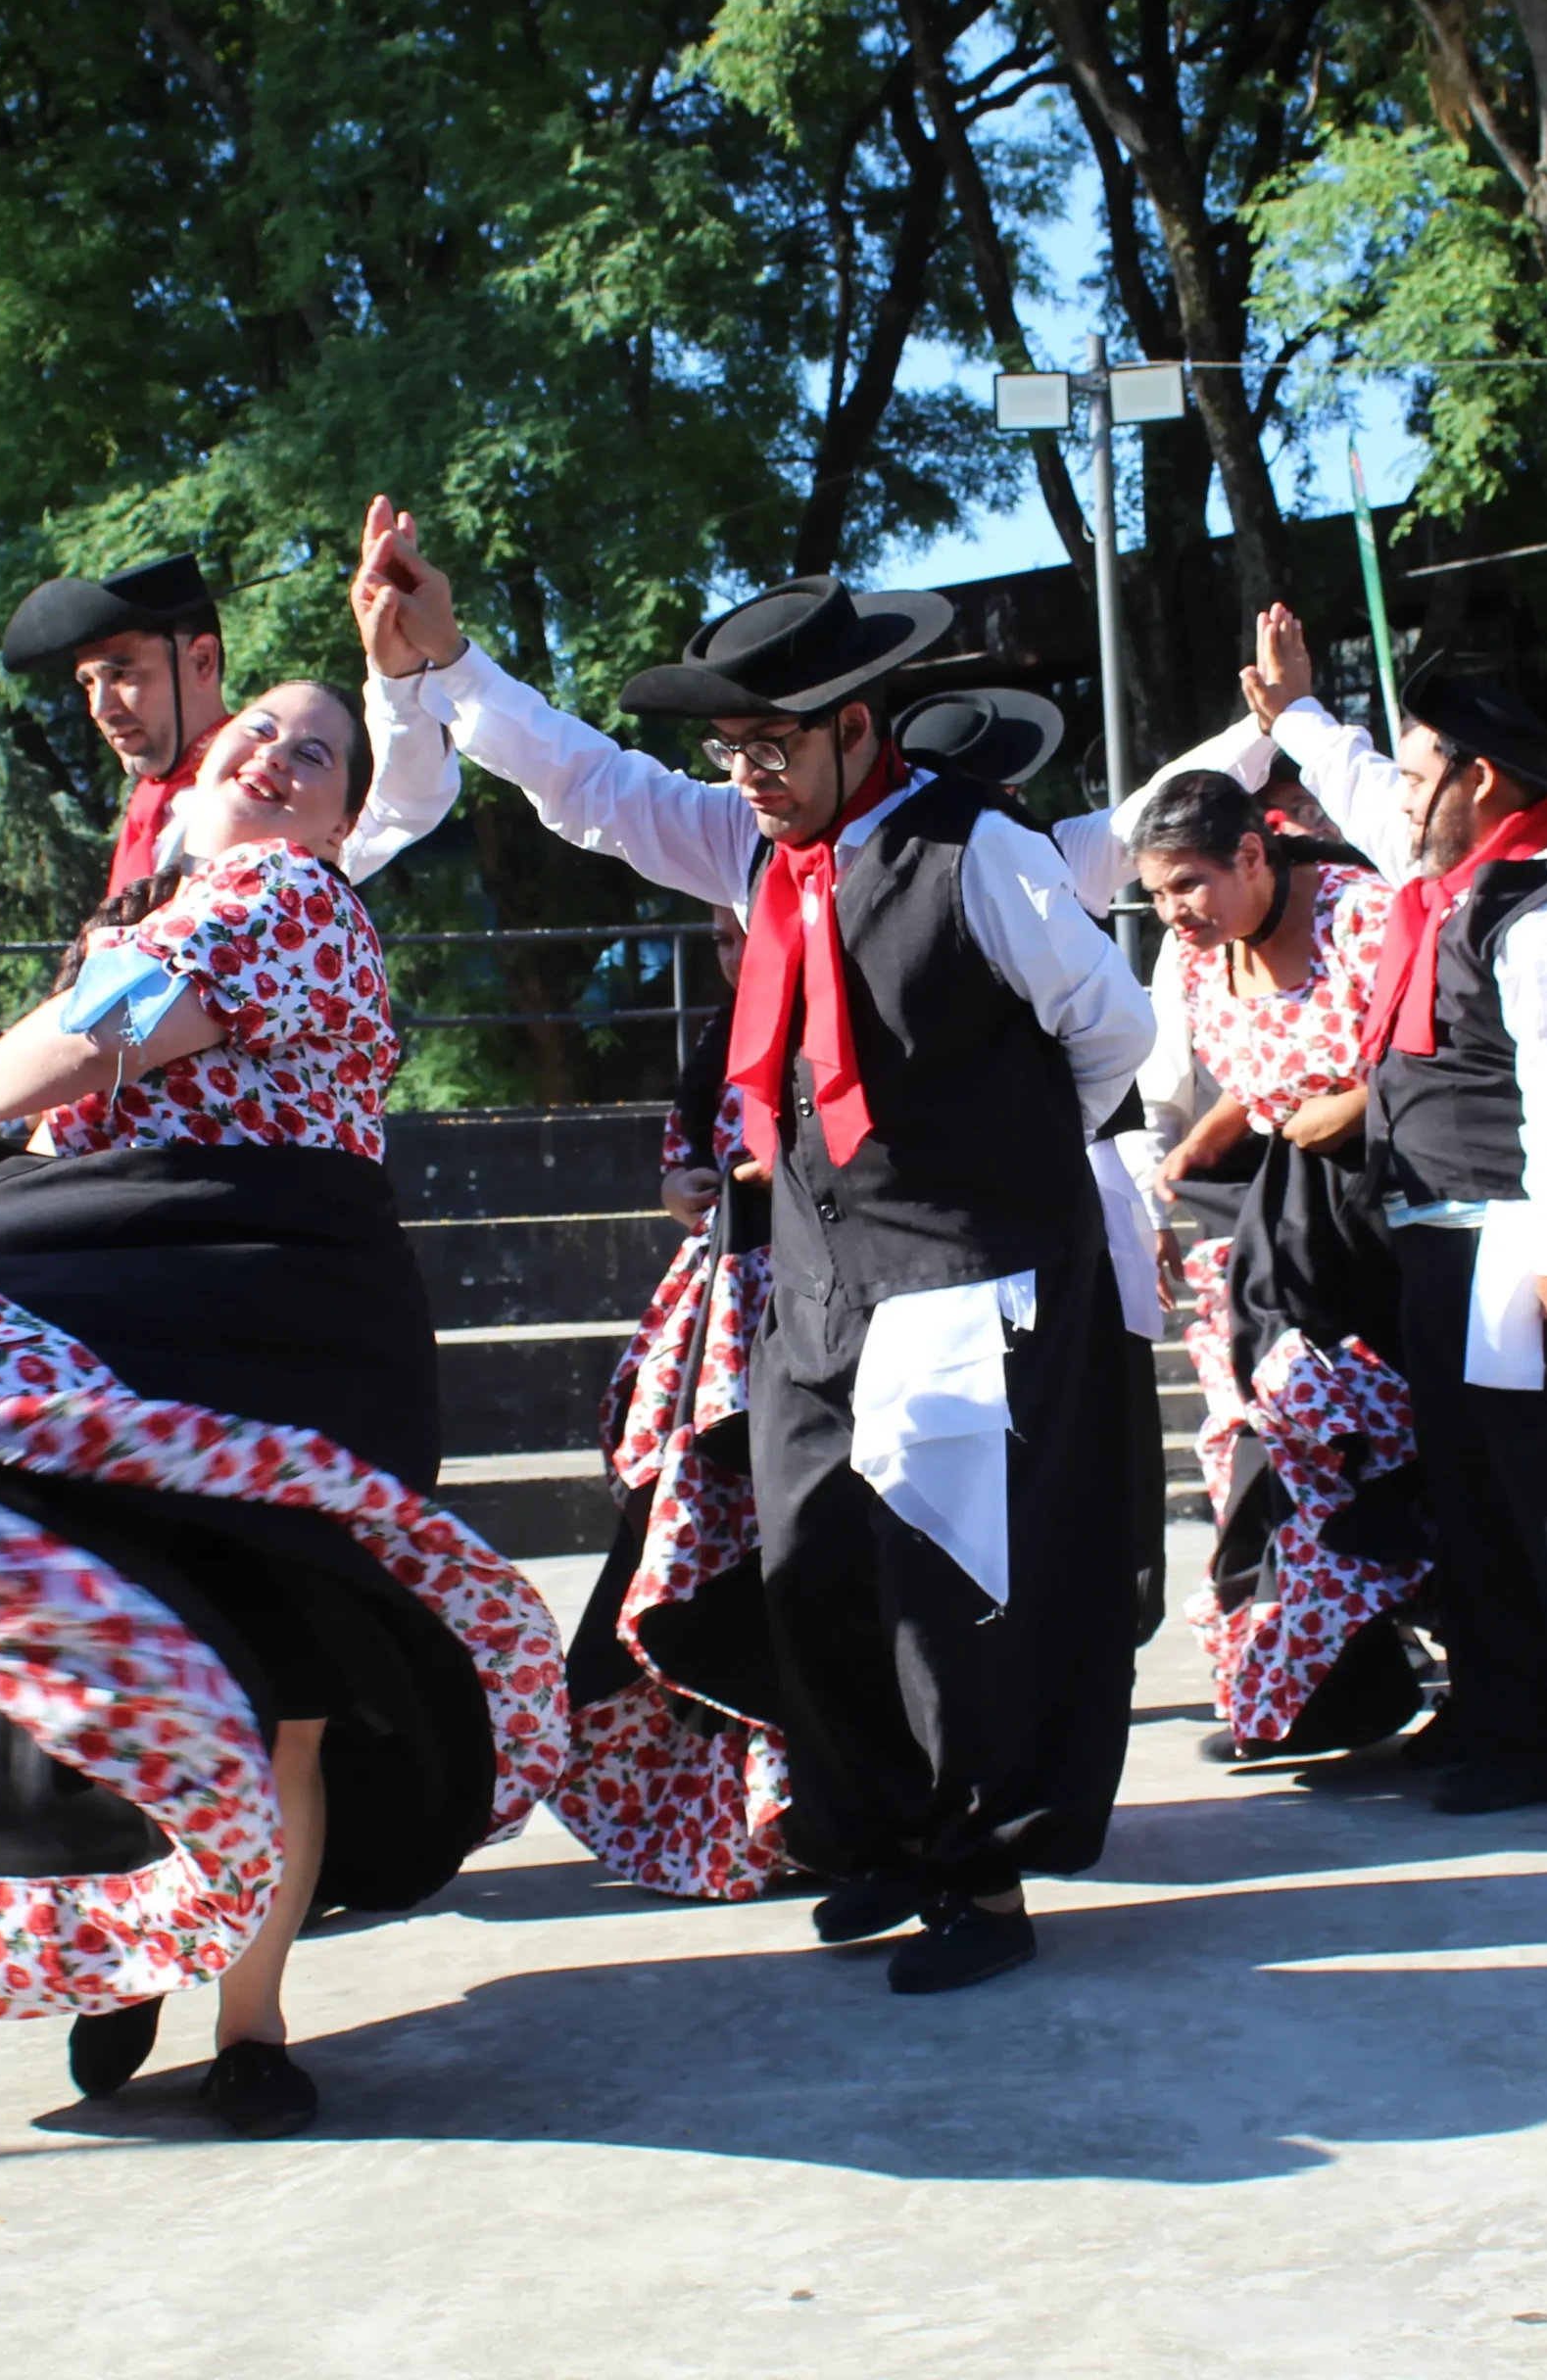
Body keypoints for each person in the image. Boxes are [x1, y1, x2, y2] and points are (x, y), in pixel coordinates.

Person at [0, 677, 567, 2133]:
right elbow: (97, 1025)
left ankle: (247, 2025)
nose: (279, 756)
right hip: (163, 1342)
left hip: (274, 1340)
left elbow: (92, 1042)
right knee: (134, 1667)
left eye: (317, 756)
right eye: (259, 731)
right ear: (206, 770)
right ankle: (139, 1940)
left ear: (342, 813)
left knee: (281, 1708)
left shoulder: (284, 897)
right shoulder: (144, 920)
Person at [353, 508, 1155, 1991]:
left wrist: (1005, 1169)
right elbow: (590, 787)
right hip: (814, 1280)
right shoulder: (753, 853)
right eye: (729, 749)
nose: (743, 774)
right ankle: (882, 1837)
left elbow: (1110, 1032)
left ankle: (978, 1875)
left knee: (948, 1587)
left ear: (857, 728)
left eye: (768, 746)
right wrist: (451, 662)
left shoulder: (977, 851)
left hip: (965, 1274)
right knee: (812, 1565)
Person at [1246, 605, 1547, 1837]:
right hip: (1447, 1240)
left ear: (1480, 776)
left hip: (1540, 1237)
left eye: (1419, 764)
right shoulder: (1443, 879)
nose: (1397, 789)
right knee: (1490, 1501)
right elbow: (1360, 793)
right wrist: (1292, 713)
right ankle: (1527, 1725)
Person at [1132, 773, 1426, 1758]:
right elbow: (1259, 1077)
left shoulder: (1361, 911)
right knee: (1269, 1435)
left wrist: (1356, 1108)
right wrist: (1188, 1152)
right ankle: (1316, 1687)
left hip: (1400, 1200)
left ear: (1254, 854)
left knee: (1406, 1447)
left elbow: (1438, 1043)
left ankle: (1495, 1689)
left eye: (1189, 885)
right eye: (1159, 894)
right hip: (1289, 1215)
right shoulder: (1196, 954)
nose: (1176, 912)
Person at [553, 905, 789, 1899]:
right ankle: (721, 1820)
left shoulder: (828, 1017)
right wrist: (688, 1187)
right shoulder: (719, 1032)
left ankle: (804, 1804)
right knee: (692, 1541)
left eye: (748, 934)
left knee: (784, 1552)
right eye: (723, 942)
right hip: (721, 1317)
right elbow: (677, 1170)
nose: (736, 955)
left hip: (803, 1311)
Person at [2, 511, 461, 892]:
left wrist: (399, 675)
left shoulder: (272, 801)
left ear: (202, 661)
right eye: (88, 682)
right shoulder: (152, 808)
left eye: (122, 674)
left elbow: (404, 799)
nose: (100, 707)